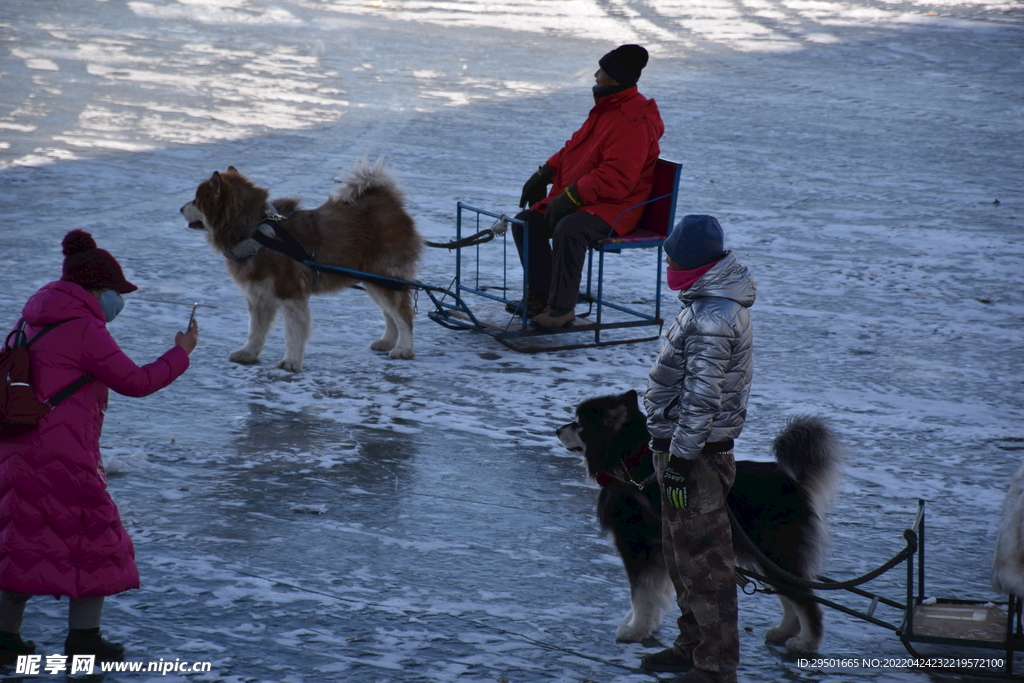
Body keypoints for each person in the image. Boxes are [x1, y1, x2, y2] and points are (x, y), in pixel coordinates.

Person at [0, 230, 199, 664]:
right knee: (95, 541)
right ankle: (84, 639)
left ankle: (5, 639)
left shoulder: (27, 321)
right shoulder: (85, 329)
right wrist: (181, 352)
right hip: (65, 456)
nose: (118, 300)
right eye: (114, 291)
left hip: (15, 449)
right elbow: (137, 382)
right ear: (95, 289)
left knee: (24, 541)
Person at [642, 215, 756, 683]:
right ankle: (692, 644)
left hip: (696, 458)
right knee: (681, 555)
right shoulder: (705, 304)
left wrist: (682, 460)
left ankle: (715, 665)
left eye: (671, 255)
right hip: (679, 449)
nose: (666, 261)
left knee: (705, 563)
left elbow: (702, 397)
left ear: (691, 262)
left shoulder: (713, 317)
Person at [510, 43, 665, 329]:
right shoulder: (608, 108)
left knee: (569, 228)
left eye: (602, 71)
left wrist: (570, 197)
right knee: (525, 223)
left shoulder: (633, 120)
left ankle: (561, 309)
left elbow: (617, 177)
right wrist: (546, 172)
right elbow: (576, 147)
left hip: (618, 206)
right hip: (592, 199)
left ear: (615, 79)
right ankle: (540, 296)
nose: (596, 75)